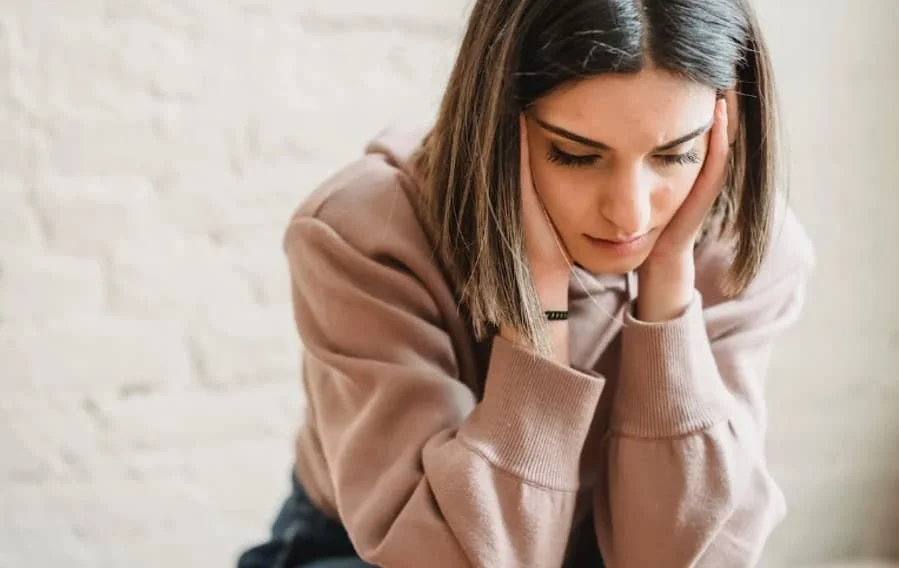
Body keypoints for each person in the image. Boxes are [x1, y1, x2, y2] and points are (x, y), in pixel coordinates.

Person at [237, 0, 815, 566]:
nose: (631, 215)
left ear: (727, 124)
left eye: (675, 154)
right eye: (575, 155)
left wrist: (667, 296)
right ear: (494, 117)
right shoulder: (363, 236)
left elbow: (675, 558)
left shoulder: (745, 250)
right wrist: (536, 306)